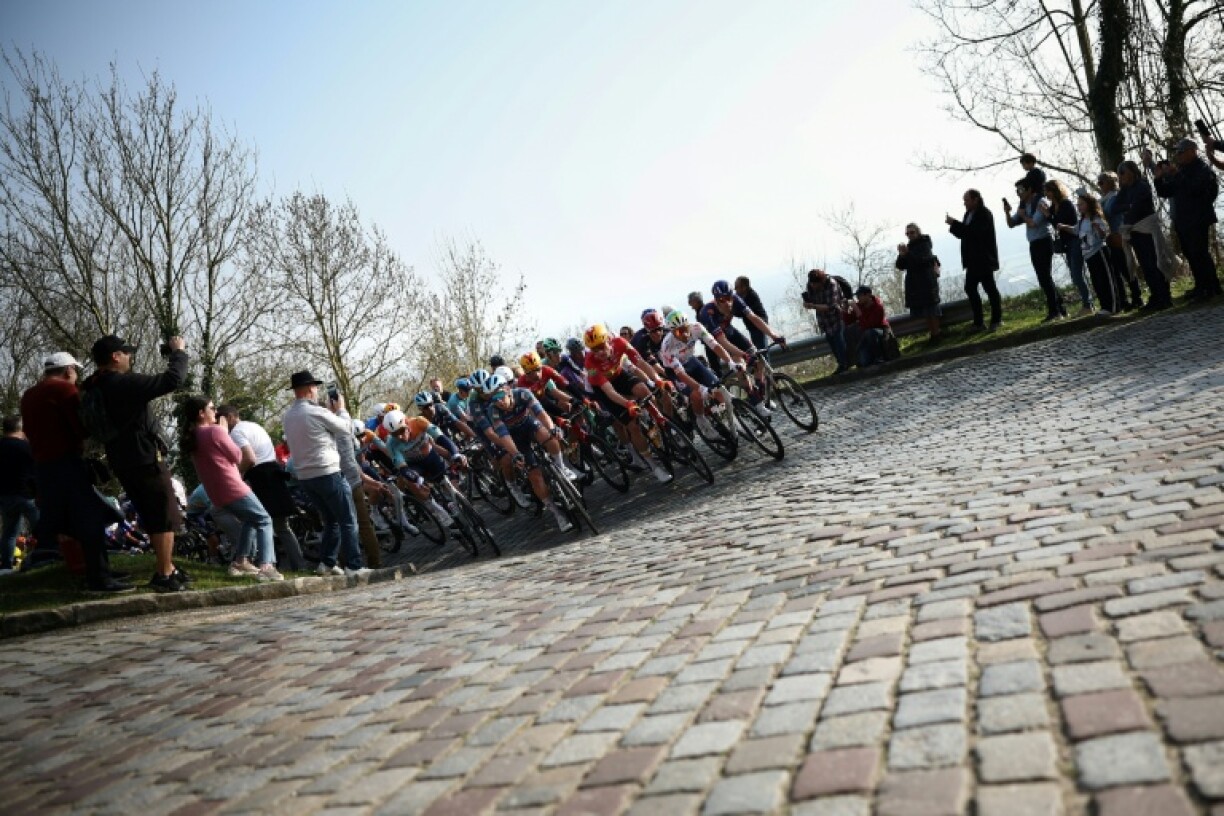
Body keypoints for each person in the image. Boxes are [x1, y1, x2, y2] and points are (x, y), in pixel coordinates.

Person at [82, 334, 190, 592]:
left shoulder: (91, 385)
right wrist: (178, 352)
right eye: (127, 353)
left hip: (120, 458)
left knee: (151, 513)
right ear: (115, 357)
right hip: (143, 457)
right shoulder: (122, 383)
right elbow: (173, 380)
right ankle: (164, 574)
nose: (130, 357)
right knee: (164, 515)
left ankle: (169, 568)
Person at [20, 352, 131, 591]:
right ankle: (99, 577)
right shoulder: (65, 391)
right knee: (90, 519)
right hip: (67, 462)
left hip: (43, 466)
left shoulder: (29, 395)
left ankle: (94, 569)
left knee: (70, 521)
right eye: (75, 371)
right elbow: (81, 428)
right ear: (68, 370)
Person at [179, 396, 282, 581]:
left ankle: (240, 561)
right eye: (212, 408)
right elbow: (236, 456)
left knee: (250, 520)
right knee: (264, 520)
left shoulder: (192, 437)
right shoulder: (215, 431)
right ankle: (267, 566)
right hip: (232, 486)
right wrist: (224, 432)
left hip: (215, 493)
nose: (216, 412)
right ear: (201, 413)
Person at [281, 370, 365, 575]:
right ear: (310, 389)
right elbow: (346, 428)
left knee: (330, 521)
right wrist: (342, 410)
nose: (317, 391)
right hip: (327, 472)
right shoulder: (316, 412)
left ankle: (326, 563)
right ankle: (353, 566)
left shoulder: (288, 416)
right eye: (316, 388)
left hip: (305, 477)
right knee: (347, 519)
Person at [216, 405, 308, 571]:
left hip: (261, 477)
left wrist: (236, 474)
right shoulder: (255, 426)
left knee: (255, 519)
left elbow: (250, 458)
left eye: (220, 419)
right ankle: (299, 565)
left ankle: (253, 561)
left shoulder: (236, 432)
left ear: (229, 417)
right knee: (281, 526)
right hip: (273, 473)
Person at [1149, 137, 1221, 300]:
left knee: (1200, 253)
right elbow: (1165, 192)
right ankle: (1201, 286)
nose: (1178, 155)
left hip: (1198, 218)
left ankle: (1211, 286)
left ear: (1192, 151)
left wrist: (1177, 174)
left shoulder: (1202, 168)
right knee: (1190, 253)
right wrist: (1159, 178)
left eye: (1181, 152)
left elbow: (1195, 189)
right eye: (1177, 152)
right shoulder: (1181, 169)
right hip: (1182, 219)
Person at [1114, 160, 1173, 310]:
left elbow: (1139, 206)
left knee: (1155, 263)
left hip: (1147, 229)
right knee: (1146, 267)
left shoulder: (1142, 185)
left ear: (1132, 172)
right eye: (1119, 173)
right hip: (1135, 231)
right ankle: (1155, 296)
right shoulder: (1125, 190)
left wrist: (1130, 207)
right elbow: (1116, 207)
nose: (1121, 176)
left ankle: (1164, 297)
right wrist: (1129, 206)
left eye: (1123, 172)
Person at [1004, 178, 1066, 321]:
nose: (1018, 193)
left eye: (1020, 190)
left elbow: (1034, 223)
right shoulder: (1024, 205)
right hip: (1034, 244)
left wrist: (1023, 215)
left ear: (1030, 189)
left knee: (1045, 277)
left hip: (1044, 241)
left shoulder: (1040, 202)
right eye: (1017, 191)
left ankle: (1055, 311)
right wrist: (1007, 212)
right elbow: (1011, 224)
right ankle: (1059, 308)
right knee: (1043, 278)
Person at [946, 189, 1002, 331]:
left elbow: (974, 233)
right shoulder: (968, 214)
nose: (964, 203)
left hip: (983, 259)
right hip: (972, 260)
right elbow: (964, 233)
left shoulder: (984, 214)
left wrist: (955, 224)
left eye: (966, 200)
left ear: (975, 199)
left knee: (990, 289)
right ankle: (979, 322)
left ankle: (996, 320)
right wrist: (953, 225)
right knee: (970, 288)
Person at [1058, 192, 1117, 315]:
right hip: (1088, 255)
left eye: (1082, 204)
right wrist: (1063, 227)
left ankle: (1113, 306)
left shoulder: (1096, 218)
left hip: (1099, 252)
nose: (1079, 207)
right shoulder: (1081, 222)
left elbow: (1103, 235)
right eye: (1078, 205)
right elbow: (1075, 230)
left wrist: (1098, 228)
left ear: (1089, 204)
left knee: (1105, 280)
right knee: (1097, 282)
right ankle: (1104, 306)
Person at [1044, 180, 1093, 314]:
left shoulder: (1065, 204)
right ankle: (1087, 303)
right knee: (1075, 275)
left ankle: (1088, 305)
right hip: (1067, 244)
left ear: (1054, 191)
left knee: (1077, 274)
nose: (1046, 194)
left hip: (1075, 241)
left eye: (1048, 191)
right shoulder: (1054, 206)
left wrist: (1048, 216)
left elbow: (1058, 222)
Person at [1098, 171, 1142, 311]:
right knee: (1115, 271)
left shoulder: (1115, 197)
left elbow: (1110, 212)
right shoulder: (1103, 199)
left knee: (1127, 268)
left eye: (1102, 182)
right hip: (1109, 238)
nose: (1099, 185)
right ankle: (1123, 300)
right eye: (1098, 183)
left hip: (1119, 235)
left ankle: (1137, 297)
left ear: (1110, 183)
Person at [0, 416, 37, 574]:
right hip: (26, 494)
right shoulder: (26, 447)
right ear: (20, 429)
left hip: (5, 495)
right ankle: (45, 556)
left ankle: (6, 566)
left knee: (9, 533)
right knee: (41, 528)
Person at [895, 224, 942, 340]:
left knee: (932, 310)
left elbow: (921, 261)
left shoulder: (924, 244)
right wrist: (901, 255)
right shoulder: (909, 247)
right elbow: (901, 266)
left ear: (918, 232)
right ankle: (933, 334)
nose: (910, 235)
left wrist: (907, 254)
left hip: (927, 280)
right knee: (925, 311)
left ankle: (937, 334)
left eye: (912, 232)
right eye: (908, 233)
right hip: (915, 283)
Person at [802, 269, 850, 374]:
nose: (813, 286)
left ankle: (845, 364)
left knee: (839, 341)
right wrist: (807, 302)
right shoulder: (810, 285)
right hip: (824, 320)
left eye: (815, 284)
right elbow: (812, 299)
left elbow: (831, 306)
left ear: (821, 281)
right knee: (832, 342)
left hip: (837, 316)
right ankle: (841, 364)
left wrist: (813, 306)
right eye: (812, 284)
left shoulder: (831, 284)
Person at [845, 286, 891, 366]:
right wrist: (845, 309)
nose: (858, 298)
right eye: (857, 296)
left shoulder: (878, 306)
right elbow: (848, 321)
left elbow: (869, 325)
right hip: (866, 334)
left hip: (881, 330)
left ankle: (879, 357)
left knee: (870, 332)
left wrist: (857, 311)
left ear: (868, 295)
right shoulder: (859, 305)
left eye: (860, 295)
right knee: (864, 362)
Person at [734, 276, 770, 350]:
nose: (735, 289)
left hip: (759, 326)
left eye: (737, 287)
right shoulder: (741, 296)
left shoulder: (751, 296)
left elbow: (742, 312)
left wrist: (731, 311)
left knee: (761, 350)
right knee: (758, 350)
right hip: (752, 327)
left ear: (744, 287)